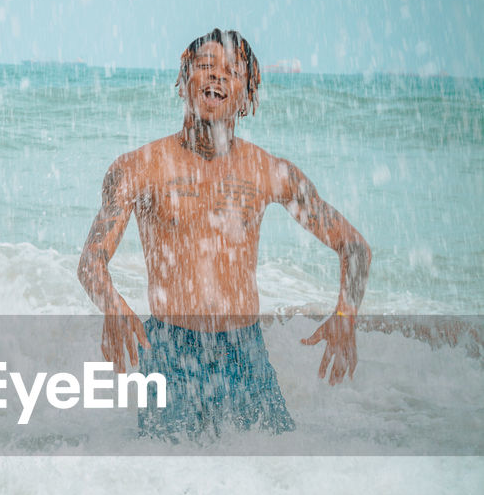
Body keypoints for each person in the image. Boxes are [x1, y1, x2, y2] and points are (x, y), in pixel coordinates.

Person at [77, 29, 372, 437]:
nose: (216, 77)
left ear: (247, 95)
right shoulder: (138, 169)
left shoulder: (268, 171)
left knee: (273, 478)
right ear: (184, 79)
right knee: (170, 484)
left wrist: (345, 315)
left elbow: (354, 247)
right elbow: (91, 260)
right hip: (169, 353)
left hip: (244, 353)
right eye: (204, 67)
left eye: (231, 72)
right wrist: (112, 306)